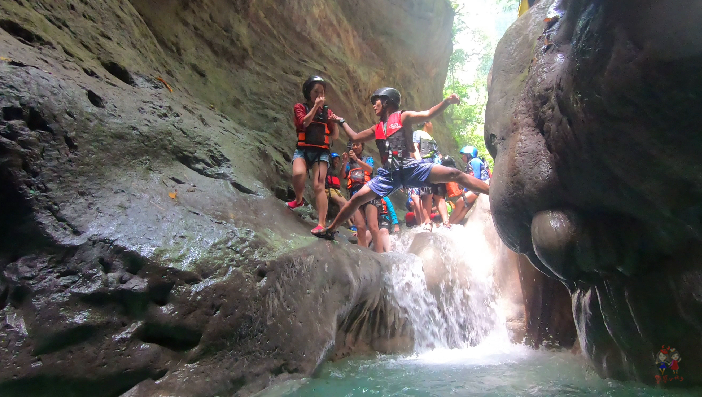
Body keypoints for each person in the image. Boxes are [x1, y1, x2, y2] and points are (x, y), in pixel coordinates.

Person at [313, 87, 489, 239]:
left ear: (388, 102)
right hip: (388, 175)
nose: (374, 105)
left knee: (454, 174)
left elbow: (427, 114)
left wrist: (447, 102)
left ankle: (491, 192)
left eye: (377, 101)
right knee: (356, 199)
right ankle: (331, 229)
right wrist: (341, 122)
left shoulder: (403, 117)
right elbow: (355, 137)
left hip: (410, 168)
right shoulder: (377, 128)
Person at [288, 76, 341, 234]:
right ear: (308, 93)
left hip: (321, 153)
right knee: (298, 174)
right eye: (315, 91)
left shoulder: (327, 112)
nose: (319, 95)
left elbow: (335, 136)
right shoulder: (300, 107)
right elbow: (303, 123)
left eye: (322, 92)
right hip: (303, 150)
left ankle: (321, 223)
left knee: (319, 185)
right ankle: (299, 200)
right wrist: (316, 107)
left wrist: (335, 122)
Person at [341, 142, 379, 248]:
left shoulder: (368, 159)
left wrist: (357, 160)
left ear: (362, 146)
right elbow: (342, 176)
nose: (355, 146)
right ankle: (363, 252)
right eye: (353, 145)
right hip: (355, 195)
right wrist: (344, 162)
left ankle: (381, 254)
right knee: (360, 227)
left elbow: (370, 170)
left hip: (368, 193)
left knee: (373, 226)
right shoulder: (349, 164)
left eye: (358, 144)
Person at [413, 121, 448, 230]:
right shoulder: (417, 133)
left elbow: (437, 154)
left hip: (436, 167)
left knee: (439, 195)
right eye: (430, 122)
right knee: (427, 194)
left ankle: (446, 222)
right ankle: (427, 222)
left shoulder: (432, 138)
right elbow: (414, 147)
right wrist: (420, 162)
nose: (432, 124)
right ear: (426, 123)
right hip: (425, 165)